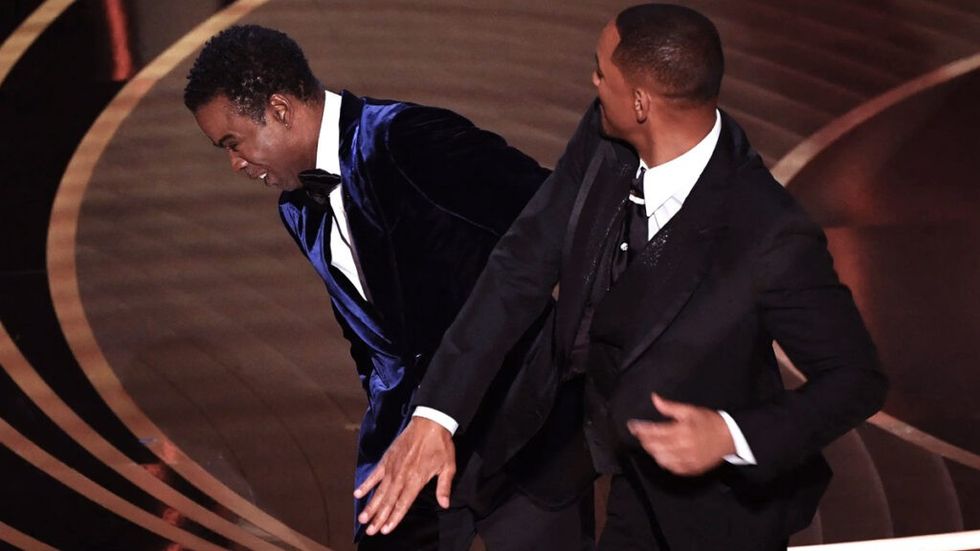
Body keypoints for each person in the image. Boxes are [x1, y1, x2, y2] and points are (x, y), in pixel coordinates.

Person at [355, 4, 888, 551]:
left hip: (699, 504)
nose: (593, 82)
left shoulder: (769, 234)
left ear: (640, 103)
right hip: (570, 427)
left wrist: (730, 434)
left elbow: (856, 378)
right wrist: (436, 414)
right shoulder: (605, 134)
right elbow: (520, 265)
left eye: (600, 72)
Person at [183, 24, 593, 551]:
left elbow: (554, 214)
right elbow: (369, 339)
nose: (235, 163)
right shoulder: (297, 210)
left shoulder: (407, 139)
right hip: (407, 446)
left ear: (280, 109)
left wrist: (582, 346)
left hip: (523, 433)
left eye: (233, 143)